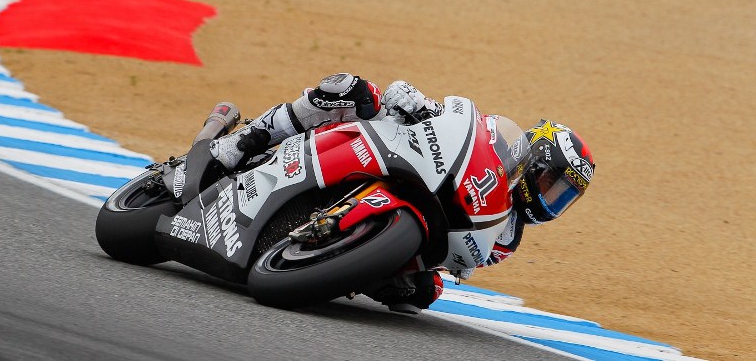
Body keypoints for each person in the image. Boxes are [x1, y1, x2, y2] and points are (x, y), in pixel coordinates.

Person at [210, 73, 595, 314]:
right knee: (356, 91)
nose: (551, 199)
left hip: (418, 225)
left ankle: (327, 258)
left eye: (563, 197)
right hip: (399, 149)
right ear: (535, 163)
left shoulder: (507, 237)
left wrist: (443, 268)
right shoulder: (497, 138)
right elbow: (458, 131)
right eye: (552, 184)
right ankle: (248, 139)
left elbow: (452, 261)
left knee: (422, 293)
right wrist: (420, 104)